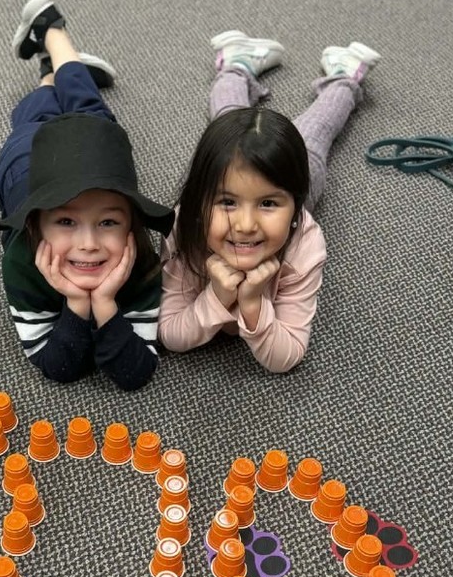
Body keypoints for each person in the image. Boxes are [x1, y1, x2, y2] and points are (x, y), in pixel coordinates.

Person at [159, 33, 380, 373]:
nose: (246, 225)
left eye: (268, 204)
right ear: (200, 197)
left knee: (316, 133)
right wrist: (217, 294)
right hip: (231, 164)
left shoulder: (304, 242)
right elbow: (170, 334)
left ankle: (343, 77)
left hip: (298, 163)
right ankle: (237, 64)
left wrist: (252, 302)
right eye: (227, 202)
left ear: (294, 207)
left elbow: (287, 356)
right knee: (228, 119)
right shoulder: (184, 226)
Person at [0, 0, 174, 390]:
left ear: (132, 223)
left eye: (108, 221)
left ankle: (51, 60)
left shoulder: (141, 258)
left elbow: (136, 373)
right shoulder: (22, 259)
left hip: (77, 160)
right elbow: (58, 367)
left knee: (76, 110)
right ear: (37, 223)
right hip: (26, 163)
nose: (89, 244)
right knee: (68, 112)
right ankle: (53, 37)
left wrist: (105, 303)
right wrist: (77, 304)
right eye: (67, 221)